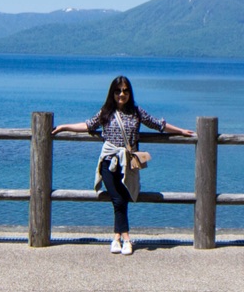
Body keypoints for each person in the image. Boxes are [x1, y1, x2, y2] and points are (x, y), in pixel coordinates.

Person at [52, 76, 193, 255]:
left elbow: (159, 124)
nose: (122, 94)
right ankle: (126, 239)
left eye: (125, 91)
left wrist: (181, 131)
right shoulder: (106, 112)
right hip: (109, 162)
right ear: (112, 93)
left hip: (128, 164)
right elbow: (88, 125)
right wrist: (64, 127)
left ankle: (116, 238)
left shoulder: (136, 112)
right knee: (118, 199)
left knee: (123, 198)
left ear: (129, 93)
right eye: (118, 91)